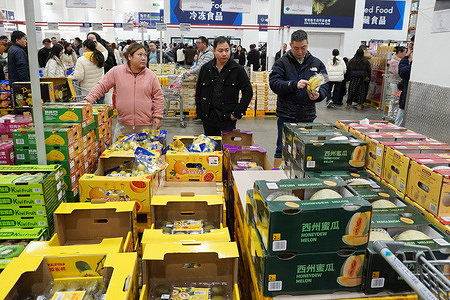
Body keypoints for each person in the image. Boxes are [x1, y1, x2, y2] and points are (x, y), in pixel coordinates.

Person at [269, 29, 328, 168]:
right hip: (286, 115)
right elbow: (274, 84)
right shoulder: (282, 63)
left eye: (303, 47)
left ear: (307, 44)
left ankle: (301, 177)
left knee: (305, 149)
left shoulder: (317, 64)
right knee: (281, 148)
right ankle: (276, 175)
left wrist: (320, 95)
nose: (300, 51)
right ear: (290, 45)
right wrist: (294, 84)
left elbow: (326, 84)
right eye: (296, 48)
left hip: (307, 116)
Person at [84, 42, 164, 140]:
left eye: (145, 55)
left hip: (145, 126)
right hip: (123, 125)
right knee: (120, 153)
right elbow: (101, 86)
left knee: (144, 153)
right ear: (129, 57)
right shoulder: (116, 72)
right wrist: (88, 100)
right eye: (139, 55)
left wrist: (158, 116)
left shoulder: (151, 75)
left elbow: (158, 97)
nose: (144, 58)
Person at [195, 36, 253, 136]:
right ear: (214, 51)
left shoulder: (237, 70)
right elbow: (199, 91)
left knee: (227, 148)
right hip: (208, 116)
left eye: (227, 50)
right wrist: (200, 113)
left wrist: (237, 113)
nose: (224, 54)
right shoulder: (206, 68)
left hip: (227, 117)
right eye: (220, 50)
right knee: (210, 146)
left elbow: (248, 92)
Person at [396, 37, 414, 126]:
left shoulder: (413, 62)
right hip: (407, 94)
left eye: (412, 45)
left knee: (400, 120)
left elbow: (402, 72)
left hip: (408, 96)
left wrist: (406, 57)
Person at [388, 46, 406, 119]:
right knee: (395, 99)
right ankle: (391, 115)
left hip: (400, 83)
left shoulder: (399, 61)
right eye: (404, 52)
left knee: (397, 99)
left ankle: (395, 115)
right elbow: (397, 72)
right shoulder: (394, 61)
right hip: (395, 83)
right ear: (399, 52)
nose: (405, 54)